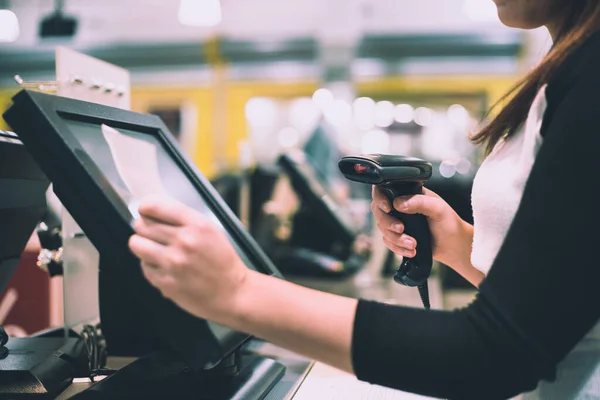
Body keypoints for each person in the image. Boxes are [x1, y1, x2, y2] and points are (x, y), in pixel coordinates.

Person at [128, 0, 600, 398]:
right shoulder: (565, 66)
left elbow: (498, 353)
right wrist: (459, 243)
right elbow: (561, 295)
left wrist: (238, 292)